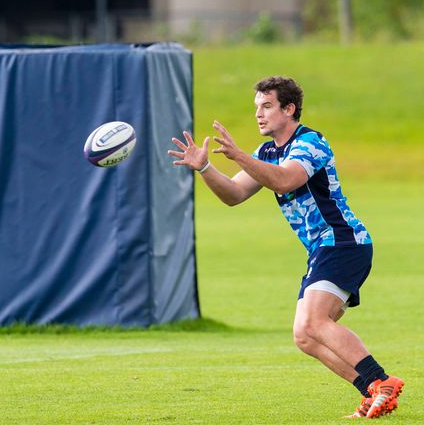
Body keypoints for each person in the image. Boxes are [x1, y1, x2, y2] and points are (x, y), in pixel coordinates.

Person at [168, 76, 404, 419]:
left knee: (314, 321)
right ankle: (372, 390)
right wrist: (204, 167)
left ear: (289, 109)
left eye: (267, 106)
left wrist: (237, 156)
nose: (259, 115)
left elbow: (285, 179)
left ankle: (382, 381)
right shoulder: (267, 152)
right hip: (323, 250)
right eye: (257, 108)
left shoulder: (310, 142)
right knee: (304, 335)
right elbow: (233, 195)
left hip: (342, 242)